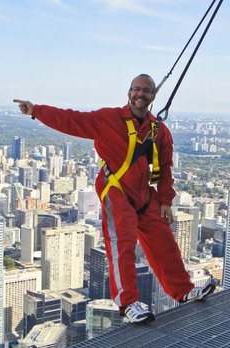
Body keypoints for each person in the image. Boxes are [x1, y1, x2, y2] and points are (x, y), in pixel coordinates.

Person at [14, 74, 216, 324]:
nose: (139, 94)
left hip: (144, 193)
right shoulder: (108, 119)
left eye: (145, 91)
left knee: (163, 240)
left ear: (153, 96)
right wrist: (36, 111)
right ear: (129, 92)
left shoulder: (159, 130)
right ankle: (128, 303)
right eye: (135, 89)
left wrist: (165, 201)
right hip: (116, 189)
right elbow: (72, 119)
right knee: (122, 242)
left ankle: (183, 290)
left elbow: (164, 169)